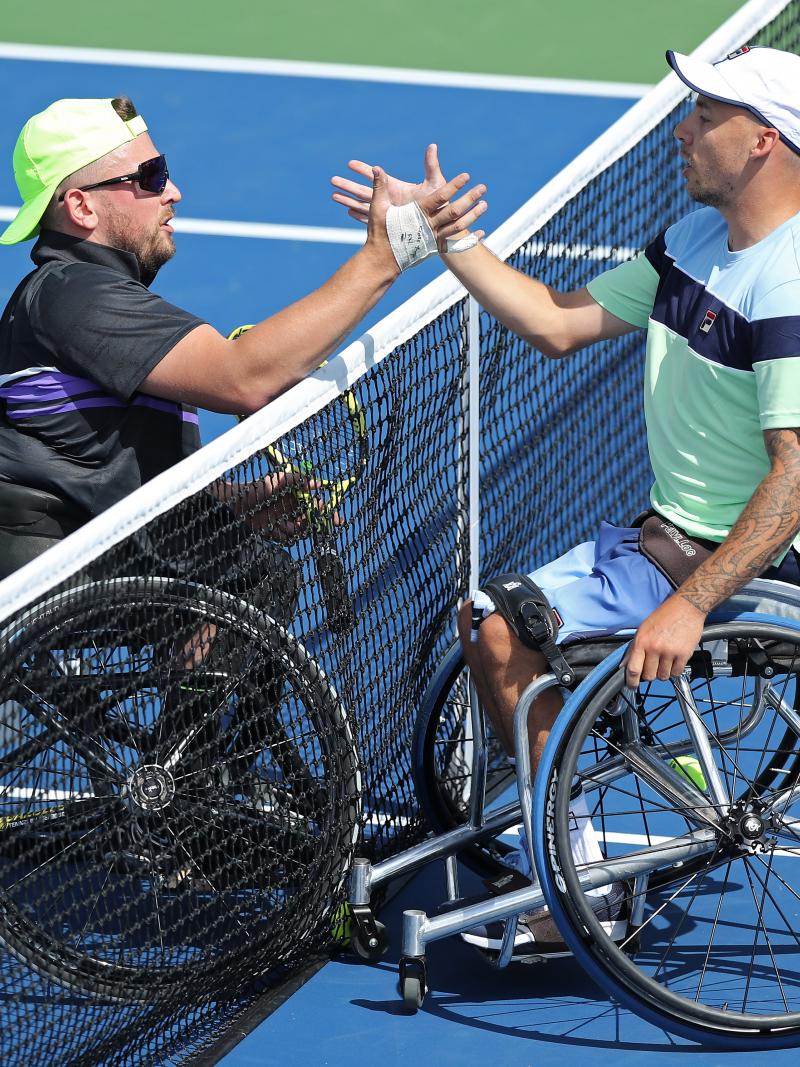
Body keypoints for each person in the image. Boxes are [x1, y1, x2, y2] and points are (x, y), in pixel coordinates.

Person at [332, 45, 800, 951]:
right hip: (672, 539)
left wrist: (691, 605)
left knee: (493, 625)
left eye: (706, 116)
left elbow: (794, 477)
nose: (683, 131)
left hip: (727, 562)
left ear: (762, 142)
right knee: (495, 622)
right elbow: (554, 322)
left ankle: (582, 882)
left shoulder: (790, 290)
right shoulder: (699, 242)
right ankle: (584, 798)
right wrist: (436, 235)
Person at [0, 96, 486, 589]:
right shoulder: (75, 293)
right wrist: (388, 252)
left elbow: (89, 460)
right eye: (150, 176)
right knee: (252, 578)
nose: (174, 191)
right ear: (81, 206)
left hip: (80, 549)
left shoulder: (77, 295)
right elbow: (243, 377)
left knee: (254, 572)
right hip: (51, 571)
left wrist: (227, 502)